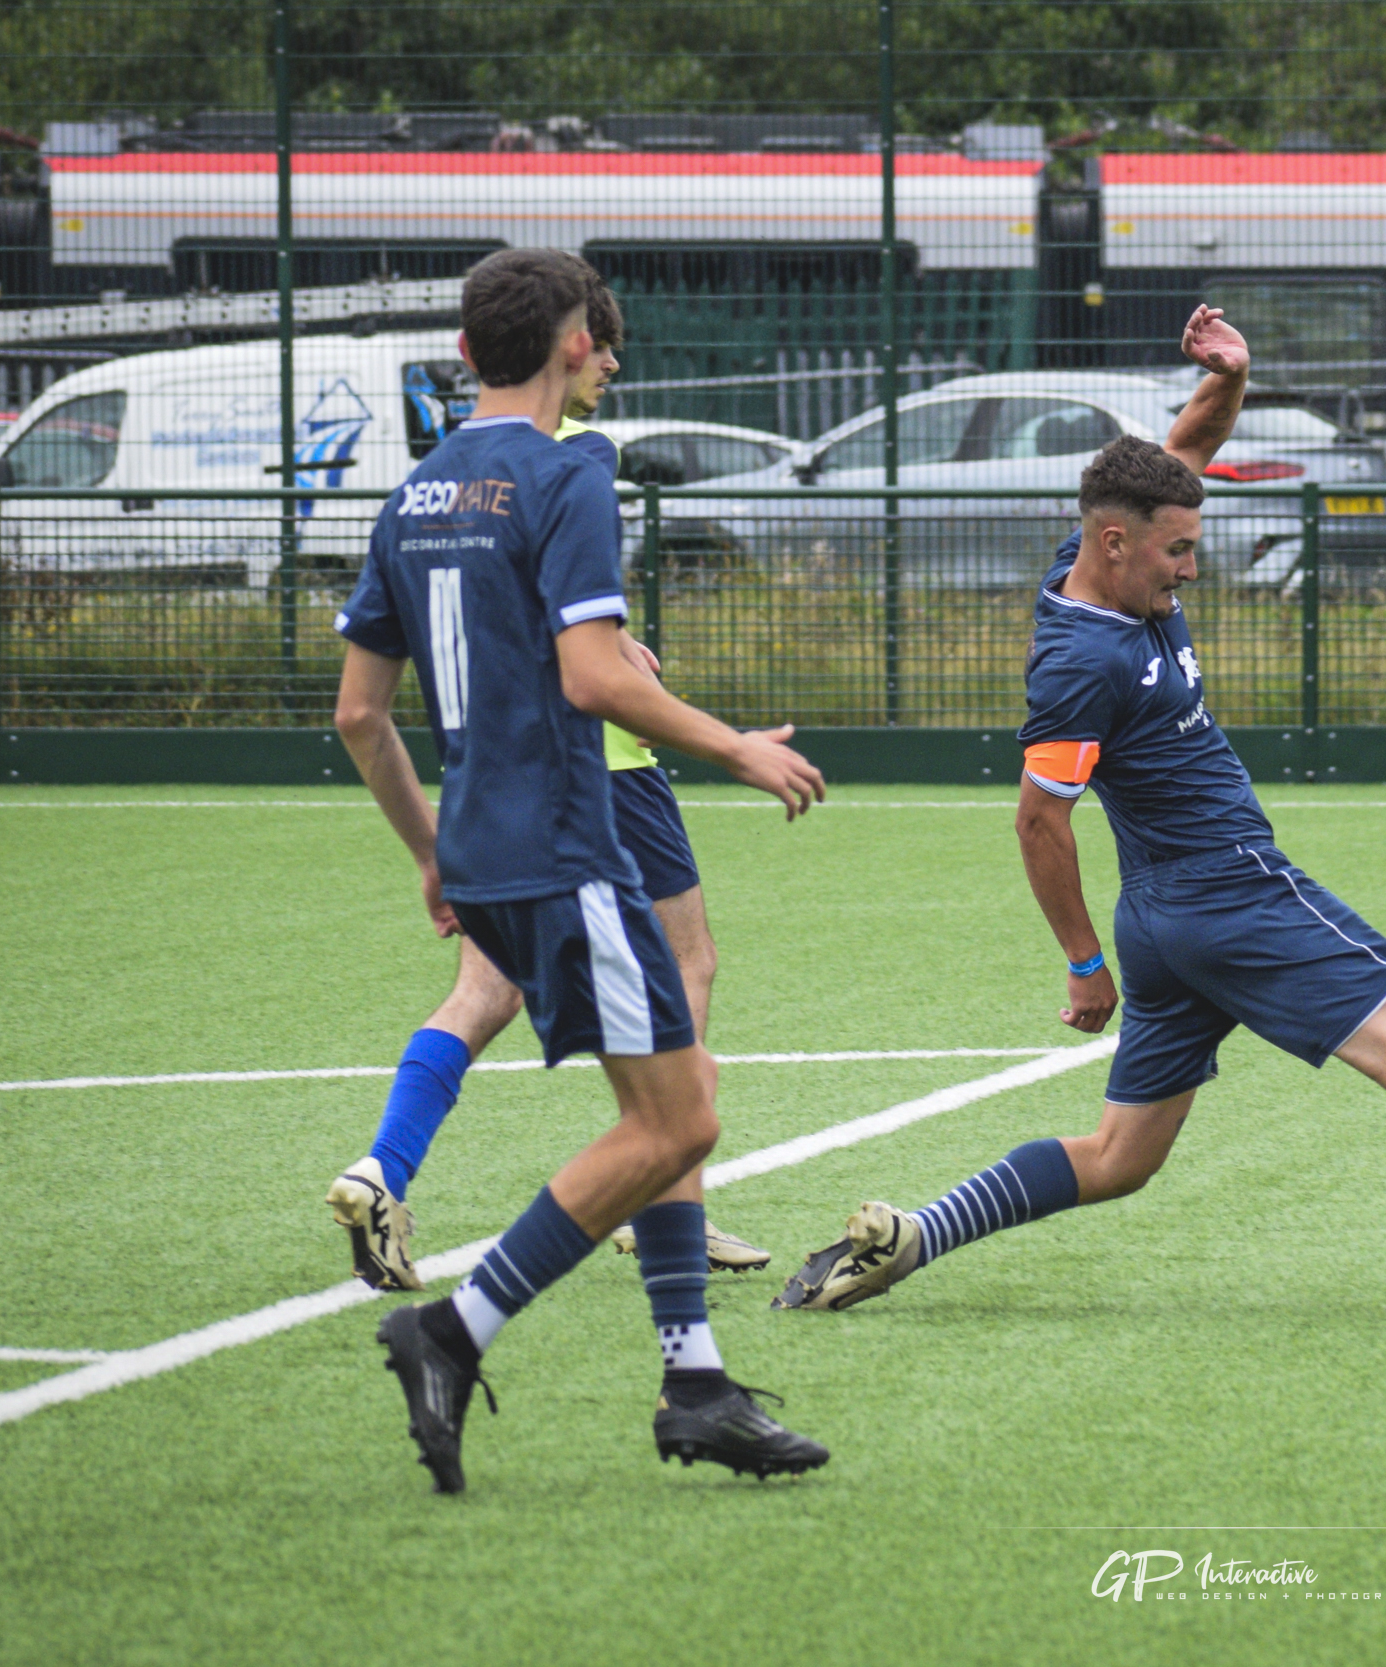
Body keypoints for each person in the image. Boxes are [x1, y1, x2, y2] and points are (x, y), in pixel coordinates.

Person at [773, 307, 1386, 1324]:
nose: (1190, 568)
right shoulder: (1083, 660)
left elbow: (1180, 454)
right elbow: (1036, 820)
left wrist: (1231, 378)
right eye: (1178, 553)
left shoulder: (1104, 551)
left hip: (1169, 917)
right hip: (1226, 889)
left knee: (1118, 1157)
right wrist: (1079, 959)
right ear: (1117, 543)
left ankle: (912, 1233)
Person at [333, 248, 832, 1492]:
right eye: (596, 338)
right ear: (569, 344)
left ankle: (696, 1383)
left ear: (465, 354)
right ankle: (451, 1327)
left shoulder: (417, 492)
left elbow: (358, 714)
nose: (604, 356)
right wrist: (736, 747)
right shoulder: (569, 467)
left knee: (661, 1113)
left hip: (492, 849)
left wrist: (431, 853)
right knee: (683, 1117)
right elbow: (596, 677)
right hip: (566, 843)